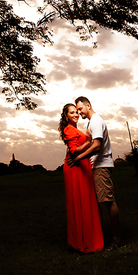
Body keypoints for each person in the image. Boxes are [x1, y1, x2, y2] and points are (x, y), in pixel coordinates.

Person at [70, 95, 122, 248]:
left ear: (88, 106)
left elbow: (97, 146)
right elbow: (90, 143)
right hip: (96, 166)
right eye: (77, 110)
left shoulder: (96, 121)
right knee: (100, 203)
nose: (79, 112)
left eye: (80, 108)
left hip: (101, 166)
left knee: (108, 201)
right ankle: (101, 237)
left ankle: (117, 240)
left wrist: (79, 158)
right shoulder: (91, 123)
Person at [58, 103, 103, 253]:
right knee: (80, 202)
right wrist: (88, 142)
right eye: (72, 113)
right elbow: (73, 151)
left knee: (86, 201)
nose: (76, 114)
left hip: (82, 165)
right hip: (75, 168)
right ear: (66, 116)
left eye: (76, 112)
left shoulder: (74, 129)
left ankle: (87, 238)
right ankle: (80, 241)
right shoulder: (69, 129)